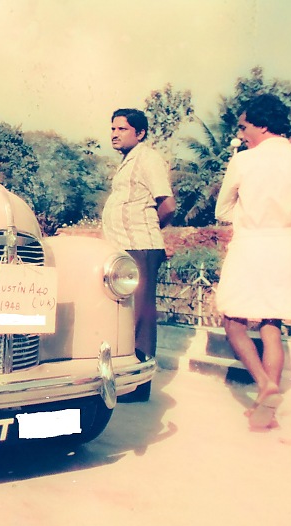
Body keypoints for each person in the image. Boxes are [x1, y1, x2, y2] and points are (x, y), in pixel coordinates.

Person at [215, 94, 291, 430]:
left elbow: (222, 210)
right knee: (272, 324)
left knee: (233, 320)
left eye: (245, 127)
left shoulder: (243, 161)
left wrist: (247, 214)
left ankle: (264, 383)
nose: (241, 134)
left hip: (252, 244)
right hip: (287, 246)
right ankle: (264, 412)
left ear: (263, 125)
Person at [102, 108, 176, 402]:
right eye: (113, 129)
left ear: (140, 132)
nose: (114, 134)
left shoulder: (148, 159)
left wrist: (148, 227)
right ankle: (126, 378)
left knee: (141, 314)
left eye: (122, 129)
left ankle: (139, 386)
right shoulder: (127, 162)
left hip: (141, 246)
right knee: (124, 315)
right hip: (122, 246)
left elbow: (167, 205)